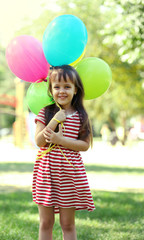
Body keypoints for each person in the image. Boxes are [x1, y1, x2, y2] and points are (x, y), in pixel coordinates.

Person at [32, 65, 95, 240]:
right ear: (51, 90)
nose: (62, 91)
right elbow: (39, 141)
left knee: (68, 224)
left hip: (70, 173)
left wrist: (61, 140)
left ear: (76, 90)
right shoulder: (45, 112)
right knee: (46, 223)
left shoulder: (81, 115)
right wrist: (53, 121)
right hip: (47, 172)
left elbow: (84, 145)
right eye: (57, 86)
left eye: (67, 86)